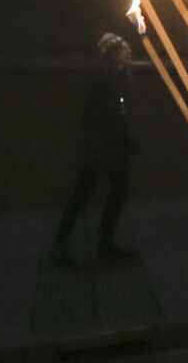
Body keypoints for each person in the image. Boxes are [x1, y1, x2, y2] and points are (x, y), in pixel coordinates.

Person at [51, 31, 139, 266]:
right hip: (101, 147)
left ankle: (102, 242)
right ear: (113, 54)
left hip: (107, 146)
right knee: (84, 192)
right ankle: (66, 243)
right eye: (124, 51)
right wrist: (122, 134)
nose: (129, 54)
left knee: (109, 190)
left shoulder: (113, 76)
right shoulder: (105, 76)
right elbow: (107, 111)